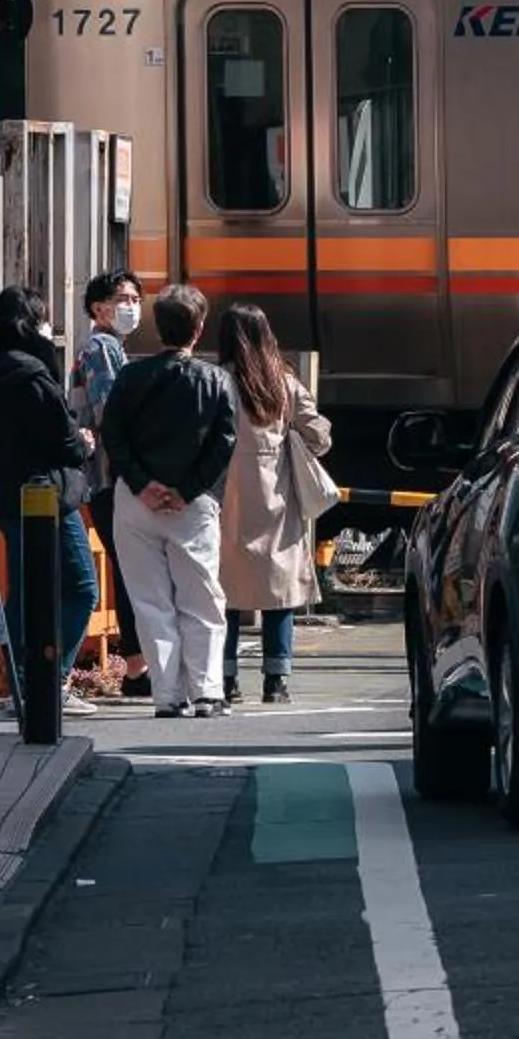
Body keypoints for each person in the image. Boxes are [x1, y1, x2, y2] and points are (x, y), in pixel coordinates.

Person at [100, 283, 236, 719]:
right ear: (198, 329)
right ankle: (208, 692)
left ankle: (168, 695)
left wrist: (143, 484)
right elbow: (224, 443)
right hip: (191, 506)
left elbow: (113, 436)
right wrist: (188, 489)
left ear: (158, 327)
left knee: (150, 601)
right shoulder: (215, 380)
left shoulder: (130, 376)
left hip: (135, 502)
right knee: (202, 598)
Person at [0, 285, 99, 711]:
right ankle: (49, 681)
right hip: (50, 495)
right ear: (31, 324)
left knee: (24, 589)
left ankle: (23, 682)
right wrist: (84, 443)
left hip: (8, 495)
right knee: (81, 587)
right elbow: (64, 443)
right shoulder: (35, 376)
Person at [214, 303, 334, 705]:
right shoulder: (284, 383)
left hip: (225, 496)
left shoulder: (217, 381)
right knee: (278, 592)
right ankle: (276, 681)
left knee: (224, 589)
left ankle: (226, 678)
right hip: (276, 497)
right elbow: (319, 437)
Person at [74, 269, 147, 698]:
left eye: (136, 299)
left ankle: (138, 666)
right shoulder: (101, 349)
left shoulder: (109, 348)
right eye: (122, 299)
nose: (132, 307)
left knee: (130, 569)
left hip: (108, 477)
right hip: (110, 477)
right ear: (98, 307)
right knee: (132, 570)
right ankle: (137, 668)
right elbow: (110, 414)